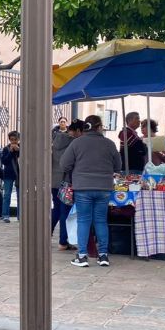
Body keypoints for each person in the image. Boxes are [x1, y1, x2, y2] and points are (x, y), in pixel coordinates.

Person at [61, 114, 122, 268]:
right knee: (101, 220)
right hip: (104, 187)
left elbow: (64, 164)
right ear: (100, 126)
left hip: (82, 187)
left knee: (83, 220)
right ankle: (103, 256)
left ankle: (82, 256)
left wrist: (76, 170)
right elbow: (118, 166)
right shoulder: (109, 143)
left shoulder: (77, 143)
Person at [52, 119, 84, 251]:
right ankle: (63, 241)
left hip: (53, 180)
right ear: (77, 131)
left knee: (58, 209)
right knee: (65, 211)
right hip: (66, 181)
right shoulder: (74, 143)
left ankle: (46, 234)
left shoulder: (55, 139)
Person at [0, 131, 21, 223]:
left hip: (19, 174)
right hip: (8, 174)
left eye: (15, 140)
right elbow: (4, 161)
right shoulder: (6, 149)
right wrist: (11, 152)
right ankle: (5, 215)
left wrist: (18, 151)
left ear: (18, 139)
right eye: (11, 140)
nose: (13, 142)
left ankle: (20, 215)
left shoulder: (22, 148)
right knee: (7, 195)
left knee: (20, 195)